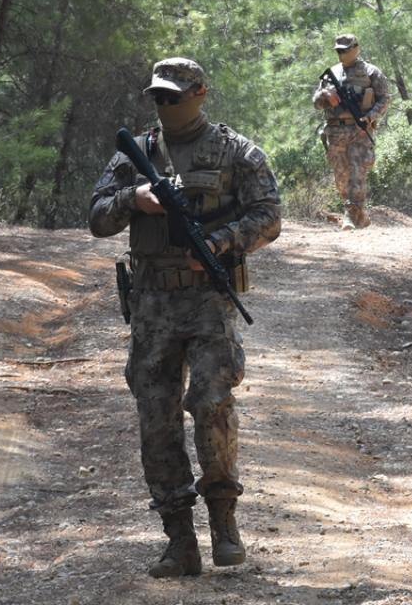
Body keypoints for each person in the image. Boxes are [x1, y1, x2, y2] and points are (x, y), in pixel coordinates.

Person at [89, 57, 281, 577]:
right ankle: (179, 541)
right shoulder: (137, 153)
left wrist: (220, 242)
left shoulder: (236, 152)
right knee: (156, 420)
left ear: (200, 93)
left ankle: (224, 523)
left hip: (207, 301)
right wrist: (136, 199)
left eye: (174, 96)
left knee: (212, 404)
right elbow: (97, 217)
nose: (165, 105)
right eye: (158, 97)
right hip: (151, 303)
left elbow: (269, 216)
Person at [312, 33, 390, 230]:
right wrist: (325, 95)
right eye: (338, 51)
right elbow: (316, 103)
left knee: (357, 173)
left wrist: (370, 117)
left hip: (359, 131)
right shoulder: (332, 73)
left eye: (344, 50)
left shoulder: (371, 72)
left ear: (356, 48)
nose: (341, 54)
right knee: (341, 177)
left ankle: (350, 215)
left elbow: (384, 99)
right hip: (335, 132)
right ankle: (360, 215)